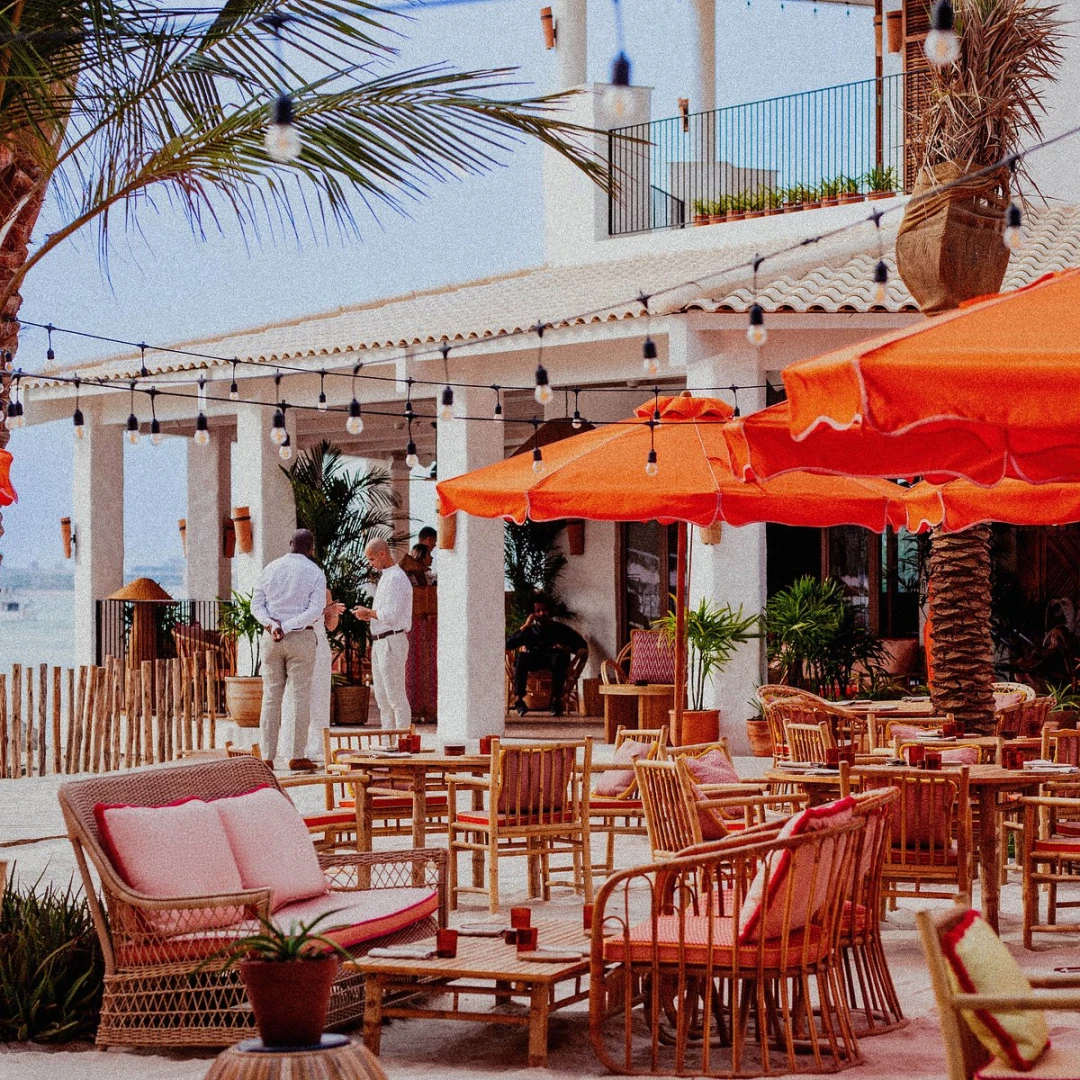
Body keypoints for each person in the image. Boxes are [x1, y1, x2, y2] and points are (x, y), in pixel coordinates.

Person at [251, 529, 327, 771]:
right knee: (299, 696)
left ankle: (267, 755)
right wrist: (289, 625)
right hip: (301, 637)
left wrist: (273, 624)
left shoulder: (270, 568)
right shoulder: (315, 572)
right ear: (311, 548)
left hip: (271, 639)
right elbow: (315, 610)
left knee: (271, 697)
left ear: (290, 543)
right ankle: (295, 755)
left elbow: (256, 605)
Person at [352, 537, 413, 730]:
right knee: (382, 698)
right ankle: (388, 740)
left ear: (382, 554)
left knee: (395, 696)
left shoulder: (396, 578)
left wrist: (368, 612)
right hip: (380, 641)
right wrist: (369, 615)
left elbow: (391, 614)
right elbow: (384, 613)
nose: (371, 564)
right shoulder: (386, 577)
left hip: (391, 640)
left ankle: (403, 740)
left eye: (371, 559)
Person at [284, 587, 346, 761]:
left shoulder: (323, 591)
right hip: (297, 641)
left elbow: (331, 626)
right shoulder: (291, 590)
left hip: (319, 644)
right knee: (294, 695)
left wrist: (333, 613)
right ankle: (291, 746)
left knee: (320, 696)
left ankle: (317, 747)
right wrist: (324, 610)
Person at [506, 595, 587, 717]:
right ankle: (519, 701)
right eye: (538, 611)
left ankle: (556, 702)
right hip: (534, 660)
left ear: (549, 611)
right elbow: (508, 644)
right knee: (521, 657)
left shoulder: (559, 628)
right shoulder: (529, 629)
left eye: (544, 610)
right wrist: (525, 626)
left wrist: (566, 648)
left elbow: (581, 644)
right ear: (532, 614)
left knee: (560, 657)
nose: (542, 613)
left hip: (552, 661)